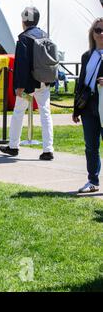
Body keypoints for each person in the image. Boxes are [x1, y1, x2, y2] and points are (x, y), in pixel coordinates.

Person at [0, 6, 54, 161]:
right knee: (45, 113)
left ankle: (13, 146)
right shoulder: (45, 35)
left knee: (18, 112)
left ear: (24, 20)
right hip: (44, 81)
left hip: (28, 84)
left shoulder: (24, 38)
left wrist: (19, 86)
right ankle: (48, 149)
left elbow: (22, 64)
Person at [73, 17, 103, 193]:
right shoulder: (87, 56)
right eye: (97, 30)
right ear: (92, 34)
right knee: (91, 146)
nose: (101, 34)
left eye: (102, 30)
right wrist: (76, 109)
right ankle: (93, 180)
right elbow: (81, 83)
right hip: (88, 106)